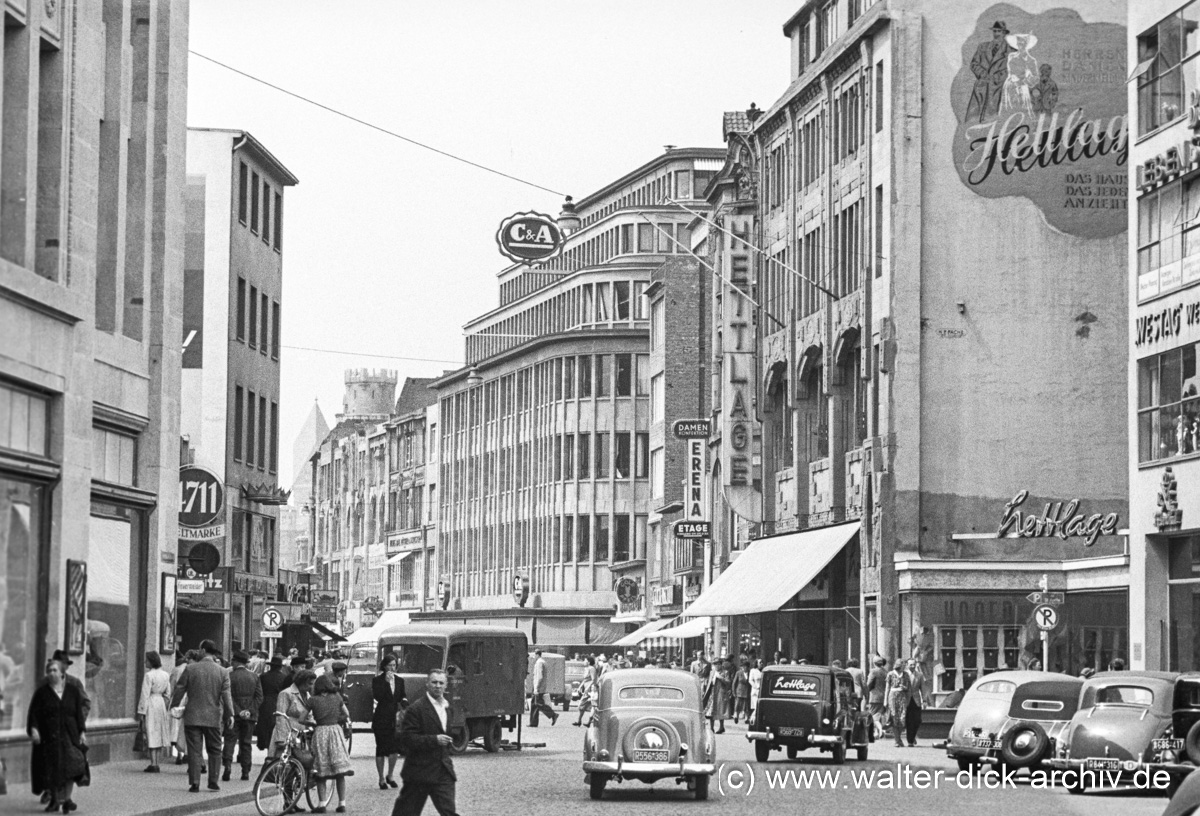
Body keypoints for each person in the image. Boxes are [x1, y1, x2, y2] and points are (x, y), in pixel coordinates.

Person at [171, 640, 235, 793]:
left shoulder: (191, 669)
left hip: (193, 715)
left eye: (199, 649)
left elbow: (180, 689)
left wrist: (174, 705)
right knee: (215, 749)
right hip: (213, 716)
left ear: (203, 650)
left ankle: (195, 782)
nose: (198, 651)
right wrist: (230, 714)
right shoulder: (222, 672)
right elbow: (227, 696)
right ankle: (213, 781)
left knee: (194, 750)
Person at [393, 668, 458, 816]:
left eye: (441, 683)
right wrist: (434, 739)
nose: (438, 686)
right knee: (406, 813)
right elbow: (407, 739)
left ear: (446, 685)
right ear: (427, 684)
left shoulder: (448, 708)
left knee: (449, 812)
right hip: (419, 772)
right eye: (434, 682)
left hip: (443, 771)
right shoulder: (416, 709)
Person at [28, 658, 88, 813]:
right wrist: (34, 729)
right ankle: (55, 799)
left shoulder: (73, 691)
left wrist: (82, 732)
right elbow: (34, 713)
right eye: (49, 671)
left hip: (69, 735)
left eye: (54, 670)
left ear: (62, 672)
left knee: (71, 767)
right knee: (52, 768)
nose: (51, 673)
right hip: (49, 736)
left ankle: (67, 799)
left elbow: (78, 714)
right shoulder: (42, 693)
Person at [310, 674, 353, 813]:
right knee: (339, 772)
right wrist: (334, 719)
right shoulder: (337, 697)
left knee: (321, 771)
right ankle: (342, 803)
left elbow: (302, 718)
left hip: (320, 732)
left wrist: (314, 722)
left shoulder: (313, 700)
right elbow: (346, 714)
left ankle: (322, 804)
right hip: (335, 731)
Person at [223, 650, 263, 781]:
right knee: (246, 743)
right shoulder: (254, 677)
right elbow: (259, 697)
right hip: (249, 716)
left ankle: (227, 766)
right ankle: (245, 771)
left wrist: (237, 710)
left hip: (233, 715)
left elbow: (227, 697)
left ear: (235, 662)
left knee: (230, 740)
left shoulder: (229, 676)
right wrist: (249, 710)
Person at [138, 651, 172, 773]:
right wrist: (165, 704)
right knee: (159, 730)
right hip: (160, 703)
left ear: (151, 661)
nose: (145, 662)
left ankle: (153, 763)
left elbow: (144, 694)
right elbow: (168, 693)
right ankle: (157, 761)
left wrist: (141, 712)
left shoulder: (149, 675)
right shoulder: (165, 674)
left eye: (146, 660)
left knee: (151, 730)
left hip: (151, 702)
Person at [372, 654, 403, 790]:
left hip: (394, 717)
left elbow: (402, 695)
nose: (392, 668)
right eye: (390, 665)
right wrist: (385, 681)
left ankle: (390, 775)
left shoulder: (400, 680)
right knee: (381, 747)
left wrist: (406, 703)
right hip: (381, 716)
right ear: (384, 666)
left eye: (394, 665)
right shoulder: (377, 680)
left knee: (394, 748)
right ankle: (381, 778)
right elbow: (378, 696)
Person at [271, 669, 316, 757]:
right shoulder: (286, 693)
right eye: (309, 684)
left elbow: (310, 715)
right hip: (287, 731)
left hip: (300, 735)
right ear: (301, 682)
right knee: (283, 762)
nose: (311, 687)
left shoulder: (307, 695)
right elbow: (280, 716)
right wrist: (281, 738)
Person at [257, 655, 290, 751]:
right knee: (276, 724)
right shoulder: (284, 677)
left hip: (265, 702)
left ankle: (265, 744)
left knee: (264, 725)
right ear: (280, 667)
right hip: (279, 701)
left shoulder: (263, 676)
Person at [169, 651, 195, 765]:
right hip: (191, 700)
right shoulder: (195, 669)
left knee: (175, 728)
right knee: (187, 729)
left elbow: (173, 686)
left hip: (179, 699)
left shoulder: (177, 669)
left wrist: (172, 703)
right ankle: (187, 754)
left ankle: (178, 754)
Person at [883, 659, 911, 748]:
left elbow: (908, 688)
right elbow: (887, 688)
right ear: (899, 665)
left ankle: (898, 738)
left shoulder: (906, 674)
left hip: (902, 696)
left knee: (902, 718)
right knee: (894, 717)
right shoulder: (890, 674)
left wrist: (905, 687)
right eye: (903, 665)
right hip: (892, 696)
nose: (905, 667)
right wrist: (885, 700)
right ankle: (897, 740)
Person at [529, 650, 558, 727]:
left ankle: (553, 714)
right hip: (541, 686)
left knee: (538, 703)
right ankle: (533, 723)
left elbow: (539, 676)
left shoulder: (539, 663)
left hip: (538, 687)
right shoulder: (543, 662)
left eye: (534, 655)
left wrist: (536, 688)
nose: (534, 657)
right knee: (534, 704)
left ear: (537, 655)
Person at [904, 658, 925, 747]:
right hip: (906, 700)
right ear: (907, 665)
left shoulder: (919, 675)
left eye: (914, 664)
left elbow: (923, 688)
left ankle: (913, 736)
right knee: (908, 721)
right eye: (910, 664)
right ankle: (910, 741)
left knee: (917, 720)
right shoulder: (904, 675)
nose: (912, 666)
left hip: (916, 700)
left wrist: (924, 700)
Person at [866, 657, 888, 738]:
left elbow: (868, 684)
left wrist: (866, 691)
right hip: (884, 696)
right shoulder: (886, 671)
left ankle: (880, 729)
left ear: (874, 663)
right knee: (879, 714)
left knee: (872, 715)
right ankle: (876, 732)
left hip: (874, 696)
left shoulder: (873, 671)